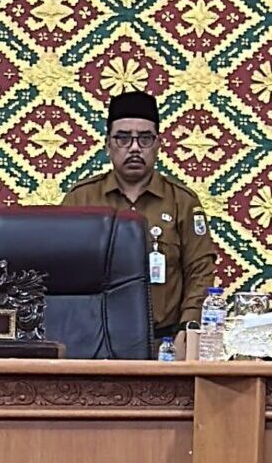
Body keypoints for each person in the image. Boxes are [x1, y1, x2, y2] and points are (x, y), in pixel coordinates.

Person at [62, 90, 216, 353]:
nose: (134, 148)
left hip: (164, 345)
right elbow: (63, 274)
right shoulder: (81, 199)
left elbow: (200, 272)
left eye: (145, 138)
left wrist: (189, 328)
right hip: (94, 343)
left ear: (158, 144)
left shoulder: (182, 202)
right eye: (123, 138)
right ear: (108, 144)